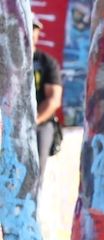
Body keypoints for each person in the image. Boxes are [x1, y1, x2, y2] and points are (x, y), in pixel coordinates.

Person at [32, 18, 62, 182]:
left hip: (40, 124)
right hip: (7, 126)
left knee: (35, 174)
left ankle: (31, 206)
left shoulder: (46, 62)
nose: (29, 33)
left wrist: (32, 122)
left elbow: (53, 100)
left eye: (33, 29)